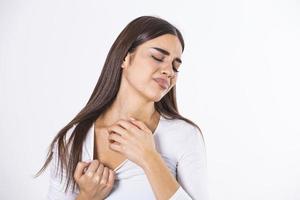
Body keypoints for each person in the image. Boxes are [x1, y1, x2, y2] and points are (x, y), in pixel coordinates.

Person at [34, 15, 209, 200]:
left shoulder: (183, 136)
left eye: (175, 66)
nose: (169, 71)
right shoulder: (72, 140)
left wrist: (149, 158)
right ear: (125, 58)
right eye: (158, 57)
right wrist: (86, 197)